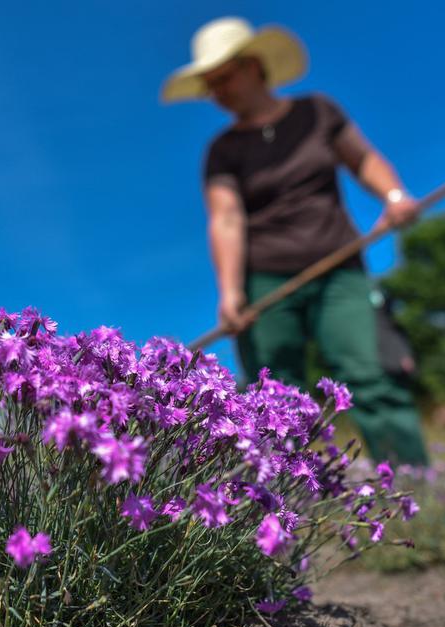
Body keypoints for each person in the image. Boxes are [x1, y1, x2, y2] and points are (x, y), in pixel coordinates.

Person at [161, 17, 429, 465]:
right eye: (209, 85)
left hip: (338, 267)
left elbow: (362, 159)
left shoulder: (317, 112)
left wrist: (394, 195)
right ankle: (286, 501)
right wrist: (231, 293)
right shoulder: (224, 150)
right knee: (275, 393)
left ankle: (413, 482)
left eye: (223, 78)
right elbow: (225, 217)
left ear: (253, 67)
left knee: (369, 373)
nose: (218, 93)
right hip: (265, 280)